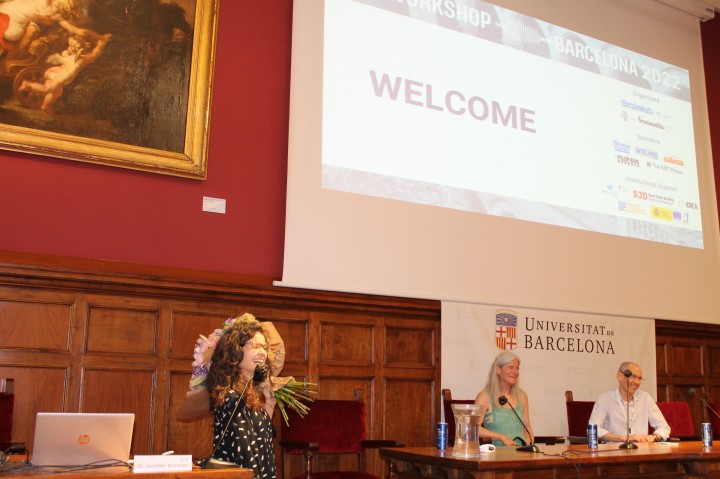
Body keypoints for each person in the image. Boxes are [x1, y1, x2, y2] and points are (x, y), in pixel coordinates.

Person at [204, 315, 278, 478]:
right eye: (256, 345)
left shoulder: (248, 392)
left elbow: (263, 437)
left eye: (264, 347)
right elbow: (246, 456)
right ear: (236, 350)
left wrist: (270, 399)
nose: (263, 353)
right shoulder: (231, 397)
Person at [19, 32, 110, 111]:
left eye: (74, 47)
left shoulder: (75, 57)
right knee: (47, 89)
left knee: (57, 92)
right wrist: (100, 46)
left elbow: (92, 55)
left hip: (57, 74)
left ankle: (44, 106)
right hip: (58, 76)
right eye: (71, 46)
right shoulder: (76, 58)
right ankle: (27, 84)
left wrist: (99, 45)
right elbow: (93, 55)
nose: (71, 48)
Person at [588, 361, 670, 443]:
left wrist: (653, 437)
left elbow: (664, 428)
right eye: (633, 377)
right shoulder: (605, 399)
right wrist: (623, 438)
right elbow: (592, 430)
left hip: (641, 451)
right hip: (613, 451)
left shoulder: (645, 398)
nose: (637, 382)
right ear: (619, 376)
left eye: (640, 378)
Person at [474, 351, 534, 446]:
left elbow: (527, 427)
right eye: (511, 367)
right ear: (498, 369)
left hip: (520, 454)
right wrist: (501, 437)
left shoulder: (522, 396)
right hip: (496, 454)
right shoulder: (484, 396)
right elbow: (474, 428)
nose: (515, 372)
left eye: (517, 368)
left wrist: (529, 447)